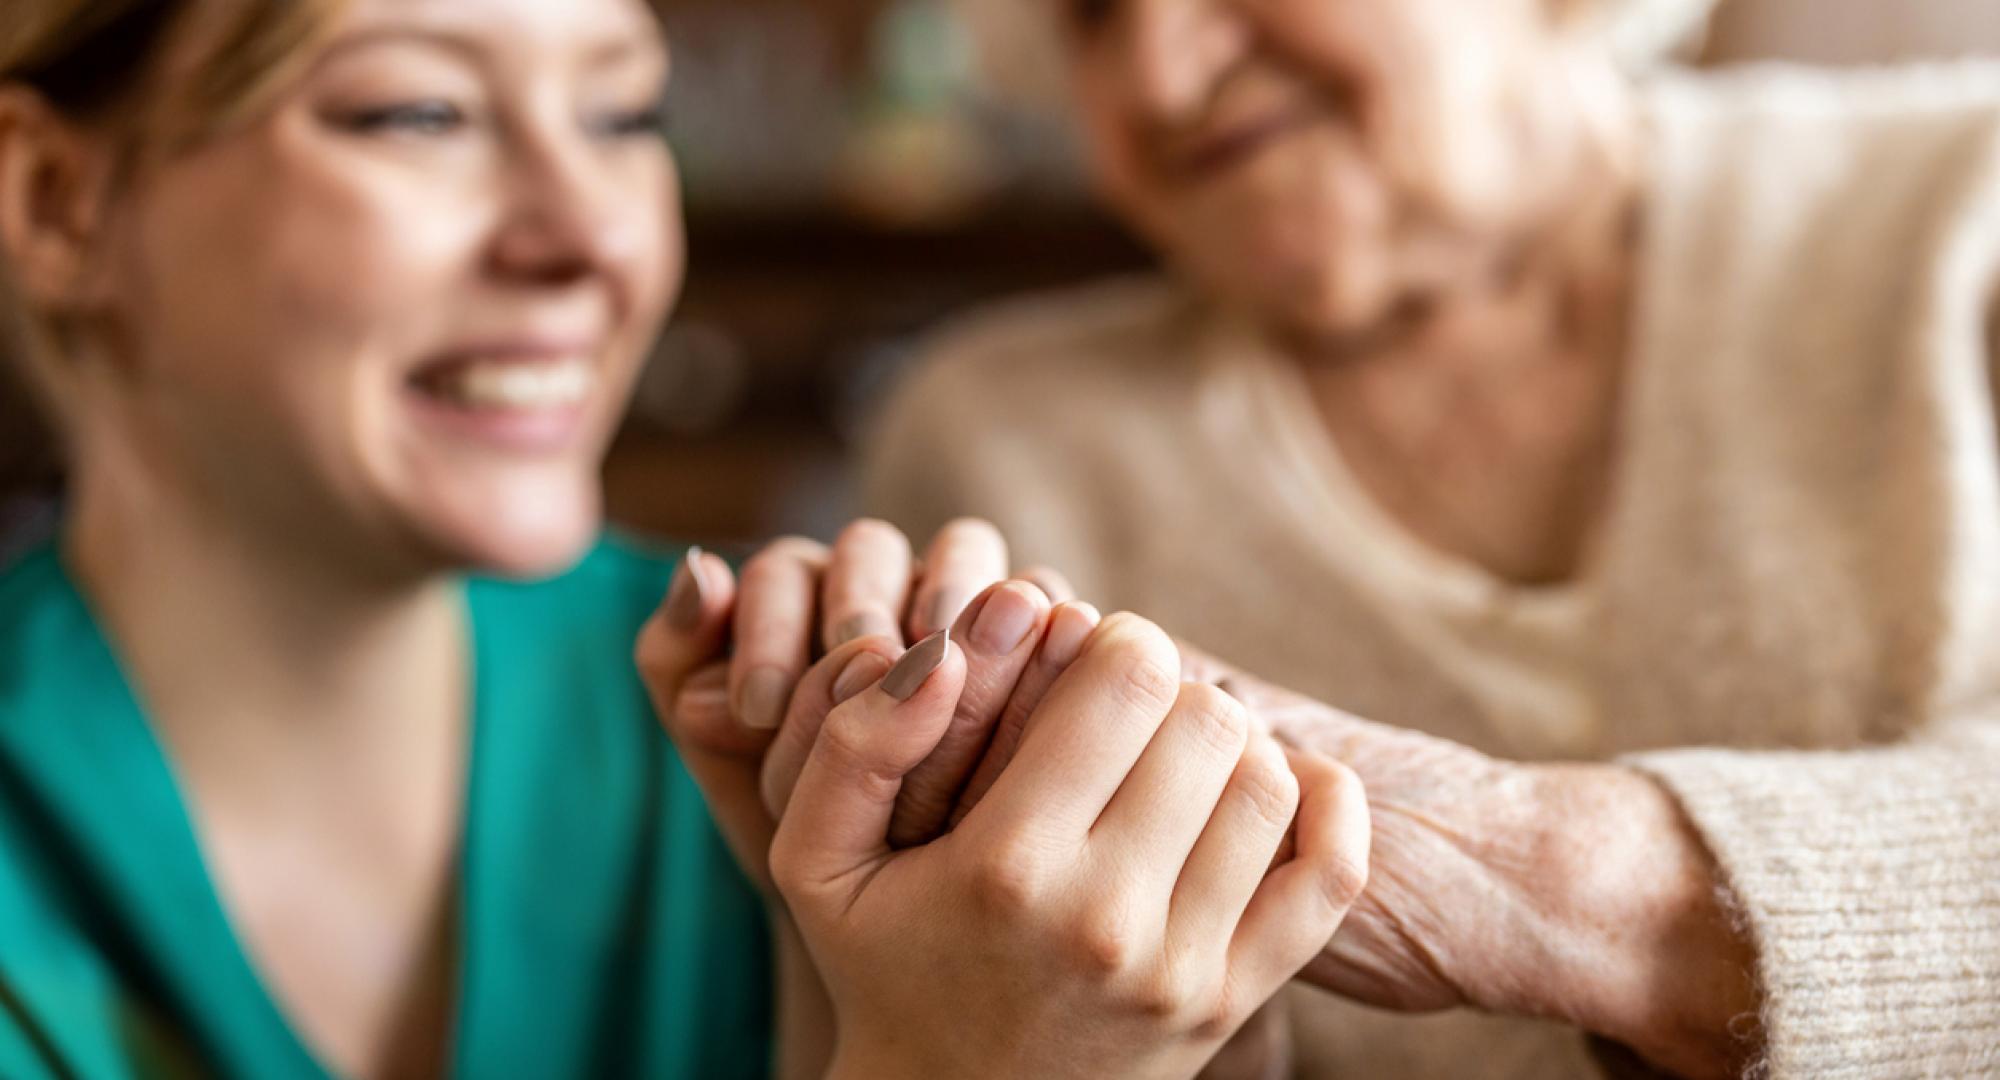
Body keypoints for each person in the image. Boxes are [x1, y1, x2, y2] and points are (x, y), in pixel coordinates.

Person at [0, 1, 1371, 1077]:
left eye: (623, 113)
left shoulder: (797, 732)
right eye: (418, 110)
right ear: (58, 202)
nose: (591, 231)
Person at [863, 0, 2000, 1074]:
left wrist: (1533, 880)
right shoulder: (1005, 443)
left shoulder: (1964, 203)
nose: (1160, 74)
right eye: (1092, 11)